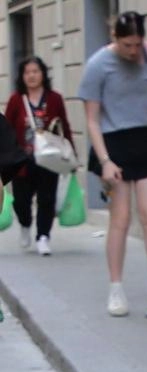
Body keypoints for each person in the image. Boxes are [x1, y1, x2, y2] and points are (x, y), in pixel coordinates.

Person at [78, 11, 147, 317]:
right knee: (120, 218)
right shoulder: (98, 65)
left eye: (137, 44)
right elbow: (92, 120)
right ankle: (116, 288)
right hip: (113, 141)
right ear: (115, 38)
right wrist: (106, 161)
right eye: (126, 45)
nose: (133, 51)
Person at [4, 56, 74, 256]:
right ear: (22, 76)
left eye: (36, 71)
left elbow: (64, 126)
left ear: (43, 74)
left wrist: (71, 155)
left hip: (49, 158)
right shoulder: (16, 100)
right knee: (21, 201)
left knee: (47, 199)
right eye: (28, 72)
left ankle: (43, 236)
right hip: (22, 161)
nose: (32, 76)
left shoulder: (54, 99)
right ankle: (25, 224)